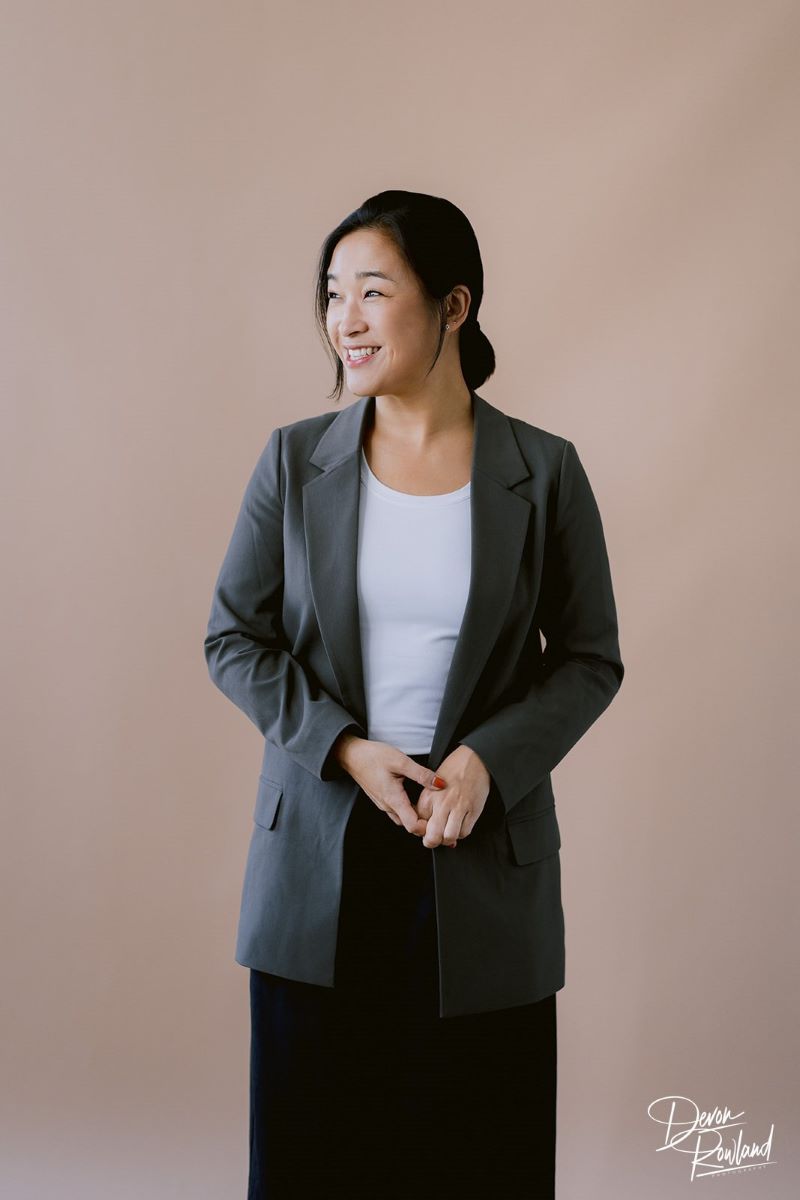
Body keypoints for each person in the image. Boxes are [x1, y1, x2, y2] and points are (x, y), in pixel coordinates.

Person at [204, 189, 624, 1199]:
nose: (342, 318)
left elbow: (587, 657)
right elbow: (234, 638)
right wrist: (345, 747)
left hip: (476, 858)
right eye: (332, 293)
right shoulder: (293, 464)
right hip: (319, 854)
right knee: (315, 1161)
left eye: (372, 291)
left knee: (480, 1157)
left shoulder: (542, 471)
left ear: (452, 305)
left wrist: (491, 760)